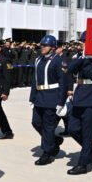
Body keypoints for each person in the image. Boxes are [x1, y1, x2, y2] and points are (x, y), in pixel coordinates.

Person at [65, 31, 92, 175]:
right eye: (83, 42)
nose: (83, 44)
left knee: (87, 133)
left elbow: (91, 73)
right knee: (72, 128)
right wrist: (84, 56)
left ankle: (83, 164)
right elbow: (70, 69)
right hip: (80, 95)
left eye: (85, 42)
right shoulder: (81, 56)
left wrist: (88, 58)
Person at [29, 35, 67, 165]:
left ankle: (47, 153)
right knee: (36, 123)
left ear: (52, 47)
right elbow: (35, 80)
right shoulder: (38, 59)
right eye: (41, 45)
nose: (42, 48)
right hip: (39, 97)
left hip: (52, 96)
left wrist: (61, 102)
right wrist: (32, 97)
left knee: (48, 127)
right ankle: (53, 141)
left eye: (45, 46)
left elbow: (63, 82)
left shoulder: (58, 60)